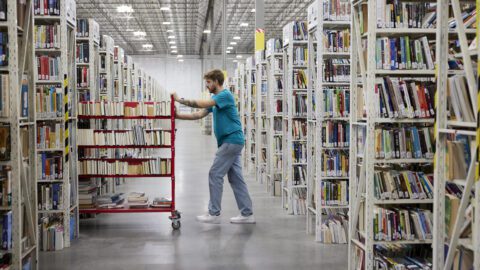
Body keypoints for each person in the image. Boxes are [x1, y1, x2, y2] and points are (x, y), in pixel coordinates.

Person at [171, 69, 255, 224]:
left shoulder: (224, 95)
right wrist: (178, 116)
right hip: (230, 142)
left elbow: (203, 103)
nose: (207, 85)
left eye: (208, 82)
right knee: (236, 178)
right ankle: (247, 213)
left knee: (215, 174)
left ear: (216, 81)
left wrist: (180, 100)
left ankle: (214, 213)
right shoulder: (216, 99)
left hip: (232, 140)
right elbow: (198, 114)